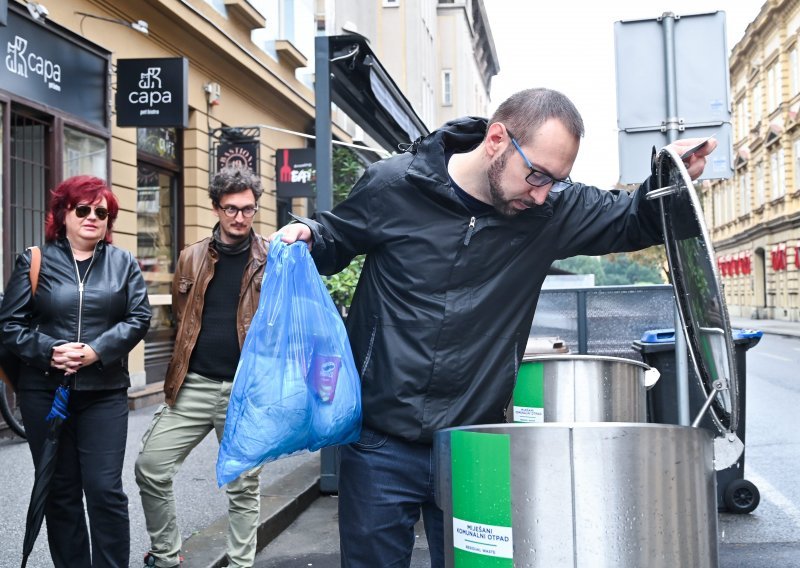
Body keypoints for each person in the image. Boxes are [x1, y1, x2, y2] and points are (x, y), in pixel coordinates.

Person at [269, 88, 718, 568]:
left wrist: (669, 180)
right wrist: (310, 235)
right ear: (498, 139)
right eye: (538, 175)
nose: (543, 193)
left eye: (557, 181)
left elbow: (633, 221)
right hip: (379, 442)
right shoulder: (393, 185)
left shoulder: (551, 211)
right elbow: (338, 237)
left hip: (477, 439)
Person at [0, 175, 152, 567]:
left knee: (104, 490)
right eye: (82, 209)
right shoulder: (34, 260)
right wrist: (50, 350)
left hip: (104, 392)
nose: (92, 217)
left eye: (101, 212)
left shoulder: (123, 263)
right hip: (45, 394)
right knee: (61, 492)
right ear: (63, 214)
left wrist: (96, 351)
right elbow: (9, 325)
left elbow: (138, 317)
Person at [135, 166, 268, 568]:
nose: (239, 217)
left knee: (244, 486)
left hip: (245, 392)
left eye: (247, 209)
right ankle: (166, 554)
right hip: (193, 384)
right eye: (231, 208)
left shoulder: (271, 257)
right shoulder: (190, 257)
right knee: (151, 467)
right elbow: (184, 318)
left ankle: (241, 564)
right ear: (216, 207)